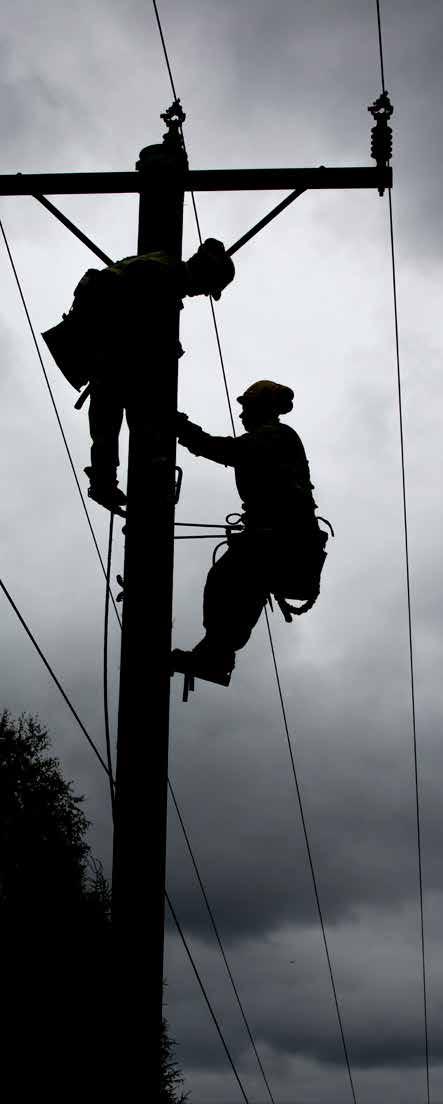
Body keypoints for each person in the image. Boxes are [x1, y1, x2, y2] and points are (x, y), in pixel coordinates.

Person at [42, 239, 235, 514]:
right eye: (208, 288)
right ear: (204, 274)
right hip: (110, 343)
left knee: (113, 411)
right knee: (137, 411)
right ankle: (121, 477)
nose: (203, 294)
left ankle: (105, 478)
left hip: (105, 342)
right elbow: (140, 327)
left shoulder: (160, 264)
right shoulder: (165, 278)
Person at [172, 380, 328, 686]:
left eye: (246, 409)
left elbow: (230, 451)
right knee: (235, 588)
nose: (241, 415)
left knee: (225, 582)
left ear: (261, 409)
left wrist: (184, 430)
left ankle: (216, 655)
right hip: (281, 538)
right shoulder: (274, 437)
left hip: (281, 538)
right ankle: (216, 654)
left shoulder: (275, 436)